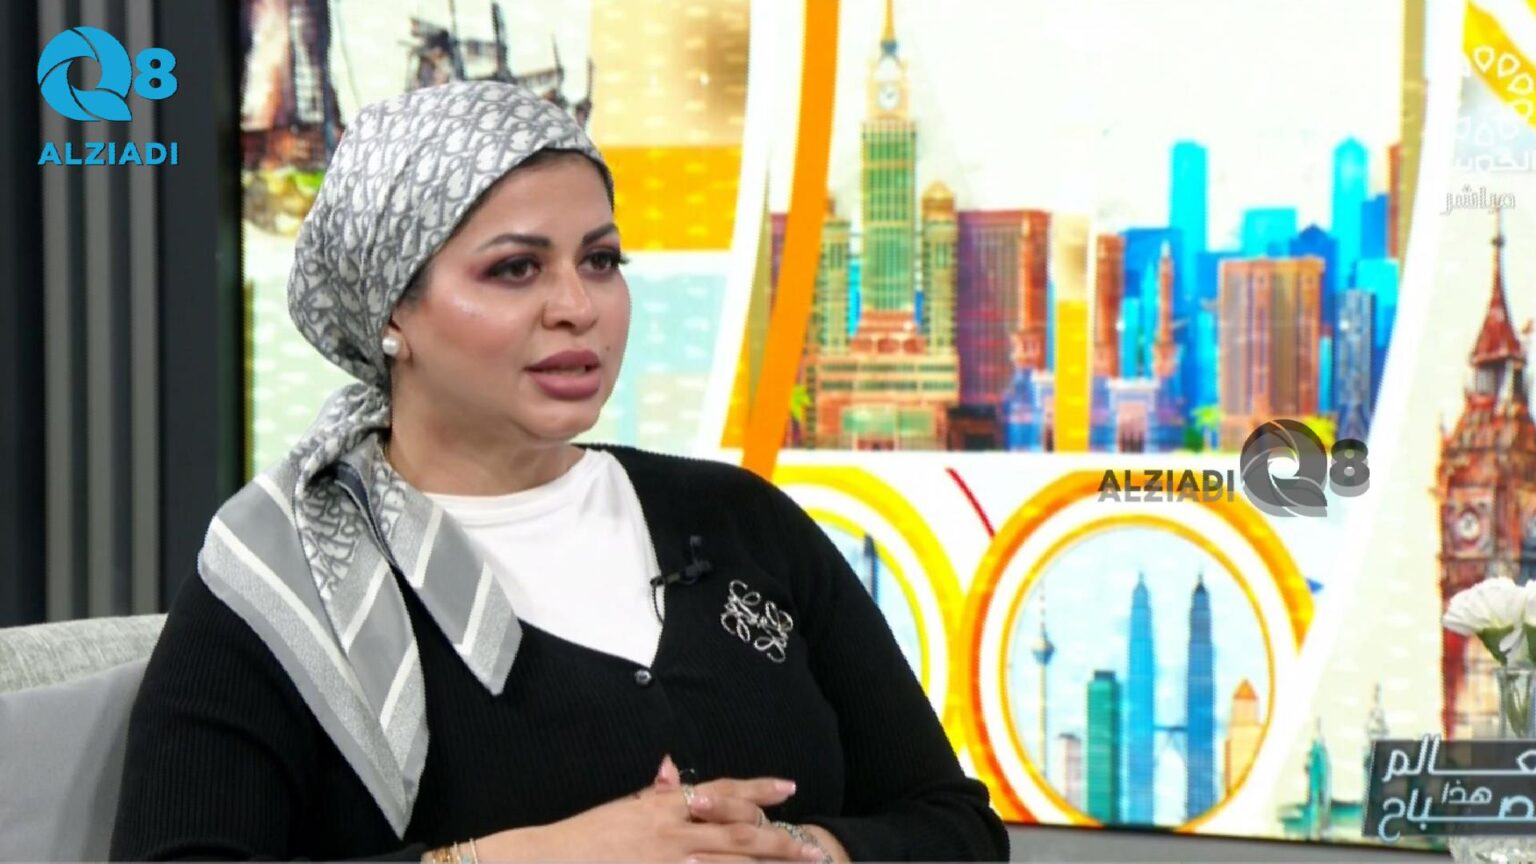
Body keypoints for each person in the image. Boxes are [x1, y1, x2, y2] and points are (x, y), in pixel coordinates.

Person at [110, 81, 1009, 863]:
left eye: (601, 261)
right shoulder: (282, 580)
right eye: (515, 269)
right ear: (392, 313)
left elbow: (954, 825)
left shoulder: (741, 519)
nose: (578, 307)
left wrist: (807, 851)